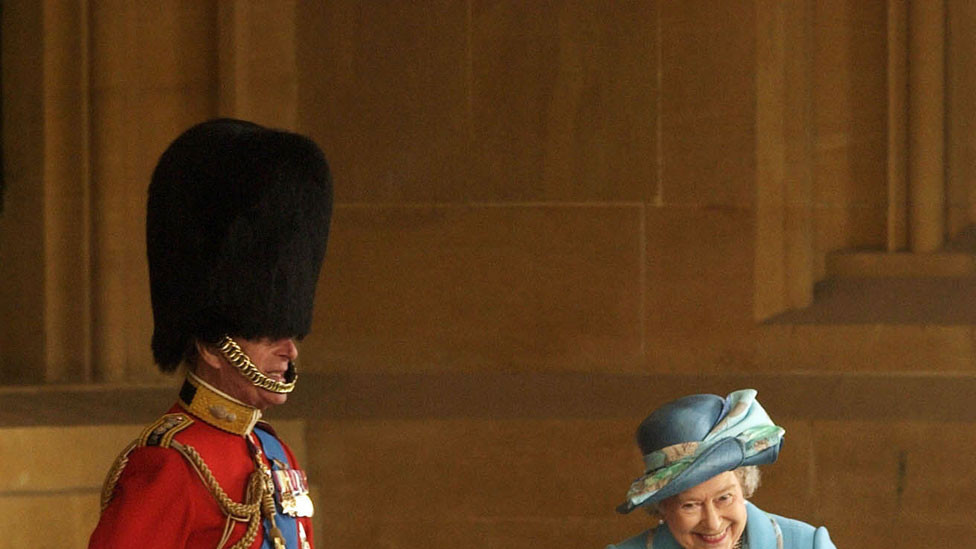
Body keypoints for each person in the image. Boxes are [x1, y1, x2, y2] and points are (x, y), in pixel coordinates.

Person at [89, 118, 333, 549]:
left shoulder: (274, 455)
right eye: (266, 333)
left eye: (289, 332)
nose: (289, 351)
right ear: (212, 346)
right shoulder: (168, 464)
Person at [607, 389, 835, 549]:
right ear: (662, 507)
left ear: (743, 486)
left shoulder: (808, 544)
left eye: (724, 498)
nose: (713, 523)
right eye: (690, 505)